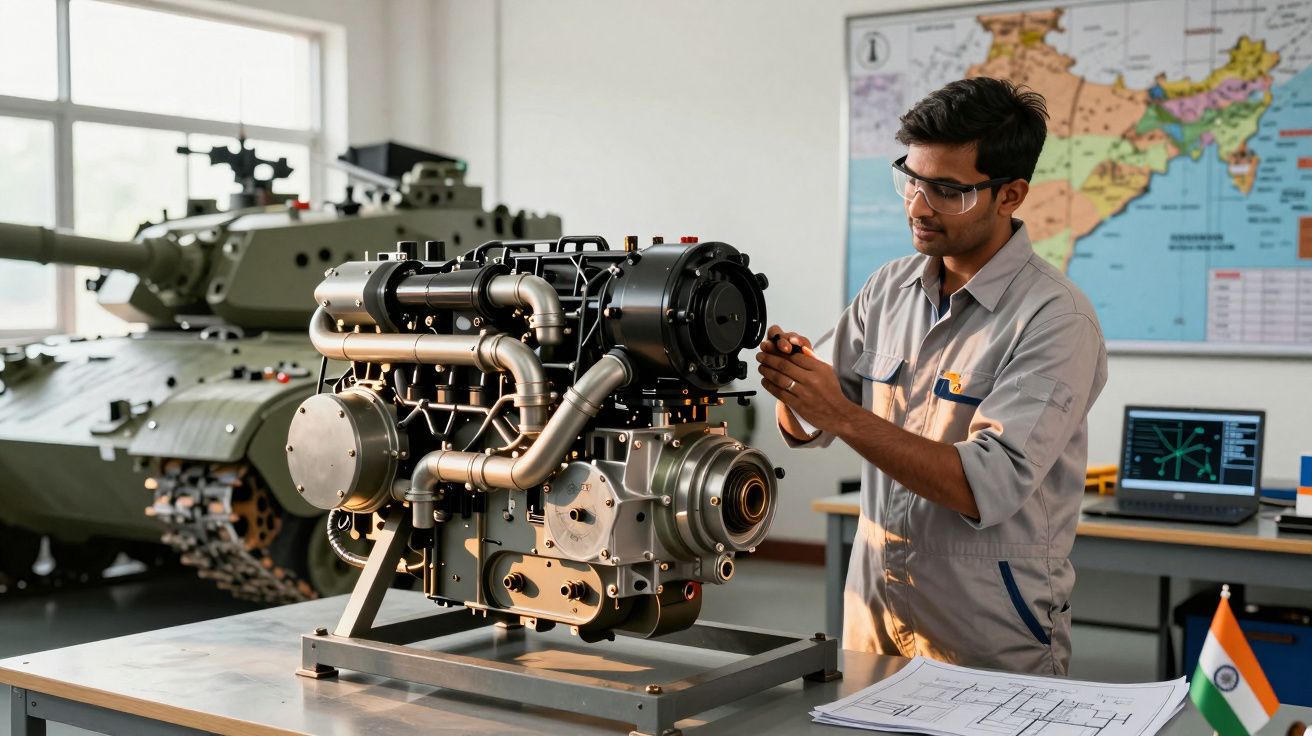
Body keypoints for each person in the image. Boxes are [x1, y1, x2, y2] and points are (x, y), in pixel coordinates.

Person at [756, 77, 1107, 675]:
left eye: (947, 189)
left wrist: (839, 411)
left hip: (986, 627)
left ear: (1010, 195)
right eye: (913, 179)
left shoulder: (1056, 318)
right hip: (873, 614)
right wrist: (795, 381)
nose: (919, 205)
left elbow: (984, 484)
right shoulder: (890, 287)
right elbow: (809, 425)